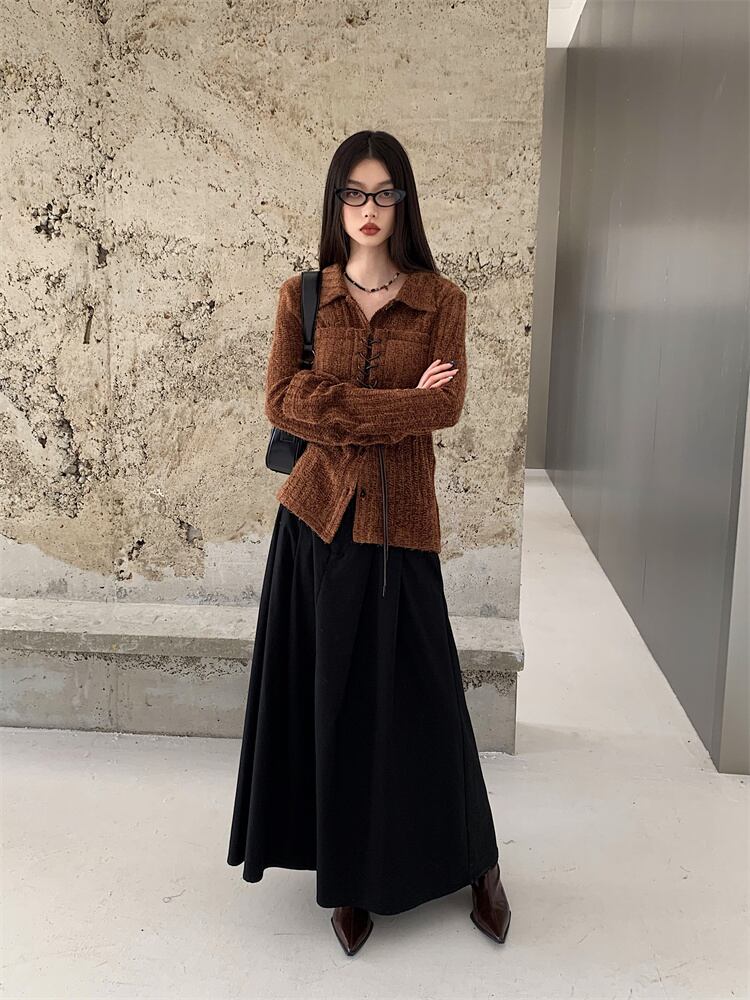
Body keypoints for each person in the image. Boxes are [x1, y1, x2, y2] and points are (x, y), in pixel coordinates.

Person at [227, 130, 511, 955]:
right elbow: (282, 400)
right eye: (354, 193)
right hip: (316, 524)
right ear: (336, 201)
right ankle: (347, 877)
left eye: (384, 193)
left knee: (428, 703)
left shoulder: (441, 300)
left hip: (402, 528)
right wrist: (394, 405)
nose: (369, 209)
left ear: (404, 202)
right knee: (331, 701)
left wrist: (341, 404)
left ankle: (477, 862)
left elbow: (444, 409)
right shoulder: (303, 296)